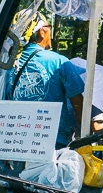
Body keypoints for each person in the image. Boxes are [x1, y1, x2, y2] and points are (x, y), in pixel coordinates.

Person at [5, 12, 85, 149]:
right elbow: (78, 105)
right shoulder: (60, 62)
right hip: (52, 143)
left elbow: (6, 104)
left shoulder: (9, 64)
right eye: (49, 27)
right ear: (42, 31)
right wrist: (84, 136)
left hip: (16, 144)